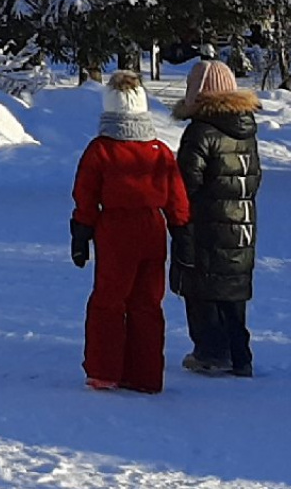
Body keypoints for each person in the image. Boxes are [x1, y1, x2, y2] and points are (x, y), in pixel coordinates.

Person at [71, 70, 190, 393]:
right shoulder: (159, 150)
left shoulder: (101, 150)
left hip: (115, 230)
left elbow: (86, 194)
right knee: (148, 303)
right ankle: (146, 375)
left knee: (109, 300)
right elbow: (176, 195)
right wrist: (181, 229)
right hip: (153, 229)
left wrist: (82, 232)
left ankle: (104, 370)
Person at [170, 60, 262, 378]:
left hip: (206, 225)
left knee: (202, 289)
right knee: (233, 291)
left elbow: (186, 182)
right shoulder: (245, 128)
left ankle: (209, 352)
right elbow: (254, 177)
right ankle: (240, 355)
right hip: (242, 224)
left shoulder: (200, 132)